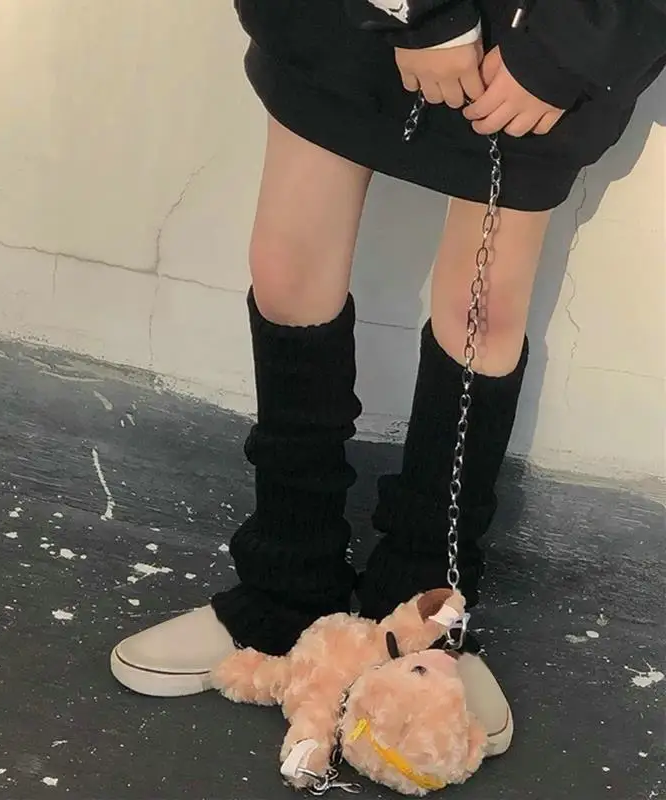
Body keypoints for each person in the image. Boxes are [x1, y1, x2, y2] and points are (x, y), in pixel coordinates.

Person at [111, 0, 666, 755]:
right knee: (289, 269)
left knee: (483, 311)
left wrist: (569, 46)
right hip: (347, 21)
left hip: (536, 34)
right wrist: (430, 17)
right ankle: (284, 581)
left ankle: (425, 609)